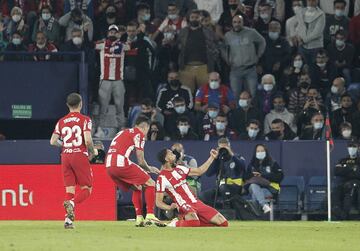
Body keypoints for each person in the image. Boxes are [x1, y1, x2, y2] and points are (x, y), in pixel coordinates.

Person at [50, 93, 98, 229]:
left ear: (67, 105)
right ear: (81, 104)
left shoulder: (61, 121)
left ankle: (68, 221)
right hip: (79, 155)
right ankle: (72, 204)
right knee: (87, 189)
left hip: (65, 156)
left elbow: (52, 141)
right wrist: (92, 151)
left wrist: (66, 145)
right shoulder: (85, 119)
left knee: (70, 190)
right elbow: (88, 140)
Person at [105, 115, 163, 227]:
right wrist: (150, 168)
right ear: (146, 127)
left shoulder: (122, 132)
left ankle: (139, 218)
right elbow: (141, 161)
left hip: (109, 165)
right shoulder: (139, 134)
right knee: (151, 183)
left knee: (137, 187)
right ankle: (150, 215)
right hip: (120, 163)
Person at [156, 148, 229, 227]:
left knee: (223, 223)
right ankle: (173, 224)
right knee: (194, 222)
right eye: (171, 153)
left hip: (196, 202)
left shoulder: (180, 168)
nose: (174, 155)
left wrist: (211, 158)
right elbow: (158, 202)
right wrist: (169, 207)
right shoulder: (162, 178)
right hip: (183, 205)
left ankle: (186, 221)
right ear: (166, 159)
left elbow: (199, 171)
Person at [94, 25, 128, 138]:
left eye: (115, 32)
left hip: (118, 80)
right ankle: (100, 129)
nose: (112, 34)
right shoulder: (102, 44)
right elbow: (93, 45)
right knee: (103, 106)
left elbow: (130, 47)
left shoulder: (122, 46)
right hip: (105, 80)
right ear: (108, 33)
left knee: (120, 106)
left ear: (118, 34)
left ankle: (121, 128)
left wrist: (119, 42)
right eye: (111, 32)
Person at [222, 14, 266, 98]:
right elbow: (223, 48)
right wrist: (227, 59)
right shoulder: (228, 36)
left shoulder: (251, 32)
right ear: (232, 23)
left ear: (243, 22)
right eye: (234, 22)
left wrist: (258, 55)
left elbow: (262, 41)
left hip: (250, 69)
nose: (237, 24)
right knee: (235, 95)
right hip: (235, 70)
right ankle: (237, 111)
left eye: (239, 22)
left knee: (253, 94)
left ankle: (253, 110)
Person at [177, 10, 219, 94]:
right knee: (186, 93)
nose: (194, 19)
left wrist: (214, 59)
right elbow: (178, 47)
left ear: (200, 18)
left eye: (197, 17)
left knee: (206, 93)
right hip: (186, 68)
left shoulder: (208, 31)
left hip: (205, 67)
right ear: (189, 18)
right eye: (192, 17)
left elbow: (214, 46)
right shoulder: (183, 32)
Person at [200, 137, 246, 209]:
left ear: (229, 146)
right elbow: (208, 174)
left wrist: (232, 155)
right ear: (218, 148)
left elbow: (242, 167)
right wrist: (214, 159)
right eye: (221, 148)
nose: (223, 150)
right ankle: (216, 211)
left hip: (235, 187)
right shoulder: (219, 160)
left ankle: (228, 212)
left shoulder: (237, 156)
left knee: (223, 187)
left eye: (225, 147)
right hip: (220, 187)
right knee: (202, 195)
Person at [244, 144, 283, 213]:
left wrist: (263, 176)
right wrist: (253, 175)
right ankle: (264, 205)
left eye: (262, 151)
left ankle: (257, 216)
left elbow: (279, 177)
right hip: (253, 188)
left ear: (266, 152)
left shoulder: (272, 163)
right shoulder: (252, 164)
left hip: (268, 189)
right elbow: (245, 177)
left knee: (255, 195)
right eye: (258, 151)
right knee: (253, 185)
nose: (260, 152)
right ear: (255, 153)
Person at [294, 0, 325, 68]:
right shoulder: (301, 12)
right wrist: (298, 36)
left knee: (314, 68)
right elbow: (298, 26)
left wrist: (303, 40)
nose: (311, 2)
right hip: (302, 46)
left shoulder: (321, 14)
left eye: (313, 1)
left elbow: (317, 33)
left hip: (315, 47)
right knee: (302, 68)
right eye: (309, 0)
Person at [334, 141, 360, 220]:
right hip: (343, 182)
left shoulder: (359, 160)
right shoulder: (343, 160)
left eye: (354, 146)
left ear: (358, 148)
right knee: (335, 191)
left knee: (351, 187)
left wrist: (346, 169)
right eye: (350, 146)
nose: (352, 148)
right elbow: (337, 171)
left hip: (356, 183)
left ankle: (345, 214)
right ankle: (337, 212)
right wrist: (352, 168)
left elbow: (358, 174)